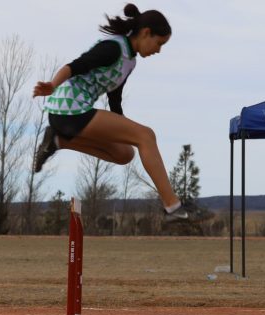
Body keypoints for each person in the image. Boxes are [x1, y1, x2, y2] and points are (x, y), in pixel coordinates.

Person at [32, 3, 201, 223]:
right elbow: (75, 65)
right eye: (159, 43)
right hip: (69, 108)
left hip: (74, 113)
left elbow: (114, 98)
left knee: (125, 154)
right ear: (146, 33)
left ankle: (57, 140)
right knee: (146, 135)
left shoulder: (129, 62)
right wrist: (52, 85)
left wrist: (122, 129)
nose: (158, 50)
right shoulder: (113, 48)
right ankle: (173, 206)